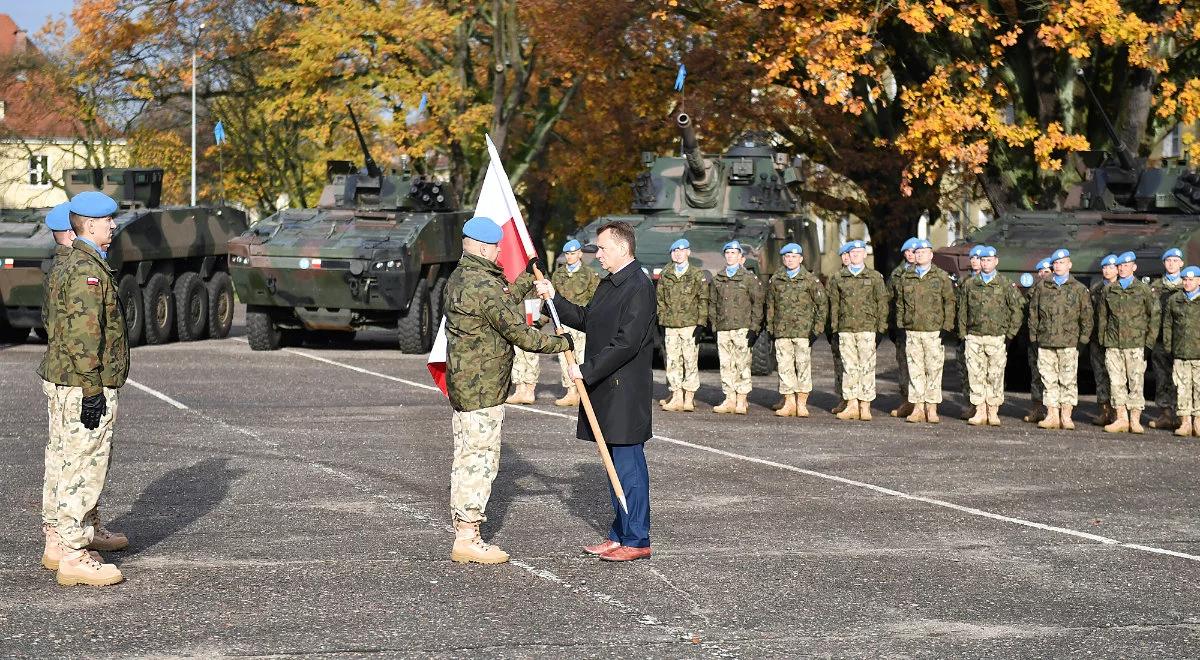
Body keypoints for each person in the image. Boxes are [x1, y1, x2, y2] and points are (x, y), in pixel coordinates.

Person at [443, 217, 570, 564]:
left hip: (468, 384)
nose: (501, 251)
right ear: (484, 248)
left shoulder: (461, 278)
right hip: (481, 387)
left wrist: (527, 279)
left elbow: (500, 305)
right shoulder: (482, 285)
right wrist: (562, 343)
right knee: (479, 459)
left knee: (467, 455)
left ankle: (465, 531)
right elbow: (519, 332)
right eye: (497, 247)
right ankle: (468, 536)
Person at [535, 221, 657, 562]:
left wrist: (585, 370)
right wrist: (553, 299)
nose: (597, 254)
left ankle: (637, 538)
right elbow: (589, 319)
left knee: (628, 466)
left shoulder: (639, 286)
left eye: (602, 248)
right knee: (612, 464)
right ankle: (619, 534)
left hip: (624, 391)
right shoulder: (610, 283)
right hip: (606, 388)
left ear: (621, 247)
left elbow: (626, 343)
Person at [37, 191, 129, 587]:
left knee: (64, 458)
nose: (113, 226)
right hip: (84, 384)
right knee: (83, 464)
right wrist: (93, 390)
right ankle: (75, 553)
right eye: (107, 220)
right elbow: (83, 337)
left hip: (70, 380)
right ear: (89, 225)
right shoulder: (85, 270)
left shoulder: (77, 263)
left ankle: (60, 540)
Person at [1027, 249, 1093, 430]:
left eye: (1062, 262)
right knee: (1048, 380)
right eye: (1055, 263)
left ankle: (1066, 415)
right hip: (1046, 341)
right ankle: (1052, 415)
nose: (1058, 266)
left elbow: (1087, 316)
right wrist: (1034, 337)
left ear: (1069, 265)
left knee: (1068, 380)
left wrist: (1083, 341)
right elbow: (1033, 313)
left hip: (1069, 342)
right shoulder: (1043, 286)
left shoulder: (1079, 289)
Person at [957, 245, 1023, 426]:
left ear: (996, 261)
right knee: (975, 375)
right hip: (974, 337)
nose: (985, 263)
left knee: (995, 374)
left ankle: (993, 411)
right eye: (983, 260)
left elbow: (1017, 310)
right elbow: (962, 310)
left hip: (996, 337)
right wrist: (963, 334)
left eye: (989, 260)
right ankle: (979, 411)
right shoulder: (970, 284)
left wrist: (1010, 333)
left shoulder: (1004, 284)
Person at [893, 238, 956, 423]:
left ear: (931, 255)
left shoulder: (941, 277)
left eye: (923, 252)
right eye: (917, 252)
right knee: (915, 370)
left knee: (934, 370)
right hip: (912, 330)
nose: (919, 255)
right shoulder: (906, 276)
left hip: (933, 331)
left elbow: (949, 302)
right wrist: (901, 325)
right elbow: (900, 304)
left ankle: (932, 408)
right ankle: (918, 408)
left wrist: (946, 327)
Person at [1097, 251, 1159, 434]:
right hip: (1113, 344)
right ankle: (1122, 419)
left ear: (1134, 267)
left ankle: (1135, 420)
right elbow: (1103, 317)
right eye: (1120, 266)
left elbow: (1154, 317)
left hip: (1136, 344)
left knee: (1136, 382)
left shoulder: (1143, 290)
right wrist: (1103, 340)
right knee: (1116, 383)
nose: (1122, 268)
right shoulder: (1109, 290)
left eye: (1126, 265)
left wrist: (1148, 343)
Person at [827, 240, 889, 421]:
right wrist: (834, 329)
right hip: (845, 329)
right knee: (849, 368)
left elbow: (882, 304)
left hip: (867, 329)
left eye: (859, 252)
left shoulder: (875, 277)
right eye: (852, 253)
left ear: (865, 255)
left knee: (867, 368)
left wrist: (881, 329)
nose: (855, 255)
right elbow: (835, 306)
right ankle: (852, 404)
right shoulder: (839, 277)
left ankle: (865, 406)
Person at [765, 243, 827, 417]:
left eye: (793, 257)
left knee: (803, 367)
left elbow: (822, 306)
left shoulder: (810, 280)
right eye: (787, 257)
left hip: (803, 332)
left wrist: (817, 329)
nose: (790, 260)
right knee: (784, 367)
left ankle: (802, 403)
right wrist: (770, 327)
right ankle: (789, 402)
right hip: (782, 331)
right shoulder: (776, 279)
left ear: (800, 259)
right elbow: (770, 305)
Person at [708, 240, 763, 415]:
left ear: (741, 257)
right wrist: (715, 326)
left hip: (742, 328)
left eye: (734, 253)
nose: (731, 256)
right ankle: (729, 398)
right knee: (726, 365)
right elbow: (712, 303)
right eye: (728, 253)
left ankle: (741, 399)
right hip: (724, 328)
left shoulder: (749, 279)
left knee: (742, 364)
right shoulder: (718, 278)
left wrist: (754, 328)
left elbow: (758, 304)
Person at [657, 238, 708, 413]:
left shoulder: (696, 274)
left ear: (688, 252)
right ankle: (677, 395)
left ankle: (689, 397)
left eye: (681, 250)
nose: (678, 254)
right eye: (674, 251)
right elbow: (660, 300)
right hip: (671, 324)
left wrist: (701, 323)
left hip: (690, 325)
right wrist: (662, 320)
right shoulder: (666, 273)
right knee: (672, 361)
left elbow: (703, 299)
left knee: (690, 360)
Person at [550, 239, 601, 407]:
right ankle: (570, 391)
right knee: (565, 358)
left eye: (573, 253)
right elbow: (551, 299)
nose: (570, 257)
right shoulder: (558, 275)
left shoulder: (590, 274)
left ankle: (582, 391)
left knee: (581, 357)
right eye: (567, 254)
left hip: (580, 323)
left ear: (580, 254)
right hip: (562, 324)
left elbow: (595, 299)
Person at [1150, 247, 1186, 430]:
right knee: (1162, 377)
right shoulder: (1155, 287)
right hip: (1160, 341)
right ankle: (1165, 414)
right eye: (1168, 261)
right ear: (1164, 263)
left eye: (1175, 260)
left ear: (1181, 263)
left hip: (1183, 342)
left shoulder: (1188, 285)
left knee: (1183, 379)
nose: (1171, 264)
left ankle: (1183, 416)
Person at [1162, 266, 1200, 438]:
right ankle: (1185, 422)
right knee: (1182, 388)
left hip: (1198, 353)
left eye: (1191, 280)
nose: (1187, 282)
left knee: (1198, 389)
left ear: (1199, 281)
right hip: (1181, 352)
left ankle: (1198, 422)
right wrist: (1169, 346)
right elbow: (1168, 325)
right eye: (1185, 279)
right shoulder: (1175, 300)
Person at [887, 238, 918, 418]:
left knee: (922, 367)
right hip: (902, 328)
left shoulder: (929, 273)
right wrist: (891, 325)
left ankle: (922, 404)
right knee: (904, 365)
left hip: (922, 327)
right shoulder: (897, 274)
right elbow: (889, 301)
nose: (910, 255)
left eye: (914, 252)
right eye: (907, 252)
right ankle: (907, 401)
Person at [505, 271, 544, 405]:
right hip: (516, 321)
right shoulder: (508, 271)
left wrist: (540, 320)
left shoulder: (536, 273)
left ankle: (529, 390)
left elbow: (545, 297)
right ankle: (519, 389)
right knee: (517, 357)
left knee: (530, 357)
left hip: (531, 319)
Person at [1022, 258, 1053, 424]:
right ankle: (1037, 409)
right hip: (1035, 339)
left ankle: (1052, 411)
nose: (1042, 274)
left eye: (1046, 271)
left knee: (1052, 377)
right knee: (1036, 375)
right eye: (1040, 272)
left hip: (1052, 339)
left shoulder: (1056, 290)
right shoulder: (1033, 290)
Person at [1090, 254, 1119, 426]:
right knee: (1100, 376)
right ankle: (1104, 411)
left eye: (1111, 267)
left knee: (1116, 378)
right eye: (1105, 267)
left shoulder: (1123, 289)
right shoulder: (1096, 289)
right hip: (1098, 340)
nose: (1107, 270)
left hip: (1116, 340)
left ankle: (1117, 414)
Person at [957, 245, 985, 420]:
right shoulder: (965, 281)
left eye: (978, 258)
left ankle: (984, 407)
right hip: (967, 333)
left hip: (985, 333)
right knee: (967, 371)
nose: (974, 261)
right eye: (972, 258)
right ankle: (971, 405)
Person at [829, 246, 853, 414]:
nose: (845, 257)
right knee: (840, 364)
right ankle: (843, 398)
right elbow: (830, 304)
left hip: (856, 328)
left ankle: (854, 400)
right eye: (842, 254)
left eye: (848, 254)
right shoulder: (835, 278)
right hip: (838, 327)